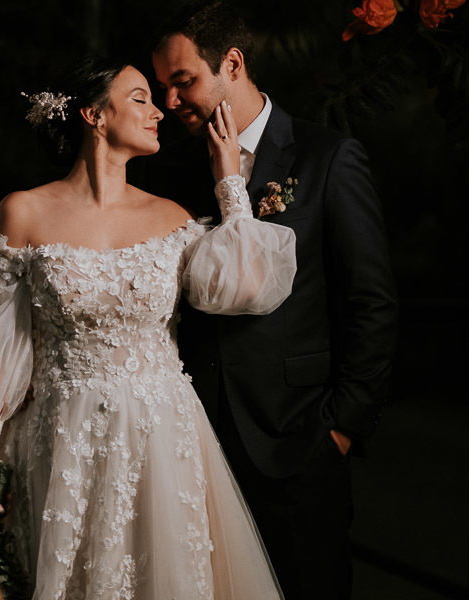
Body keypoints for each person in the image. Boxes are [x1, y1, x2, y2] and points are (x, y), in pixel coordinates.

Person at [0, 55, 296, 599]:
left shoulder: (173, 218)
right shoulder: (24, 212)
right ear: (93, 115)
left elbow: (246, 288)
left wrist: (229, 187)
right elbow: (2, 343)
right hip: (60, 439)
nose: (159, 112)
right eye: (140, 99)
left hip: (162, 437)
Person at [145, 2, 399, 598]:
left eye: (184, 82)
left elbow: (373, 303)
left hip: (299, 441)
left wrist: (340, 428)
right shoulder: (175, 174)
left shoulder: (327, 158)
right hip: (196, 446)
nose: (171, 102)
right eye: (163, 87)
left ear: (231, 64)